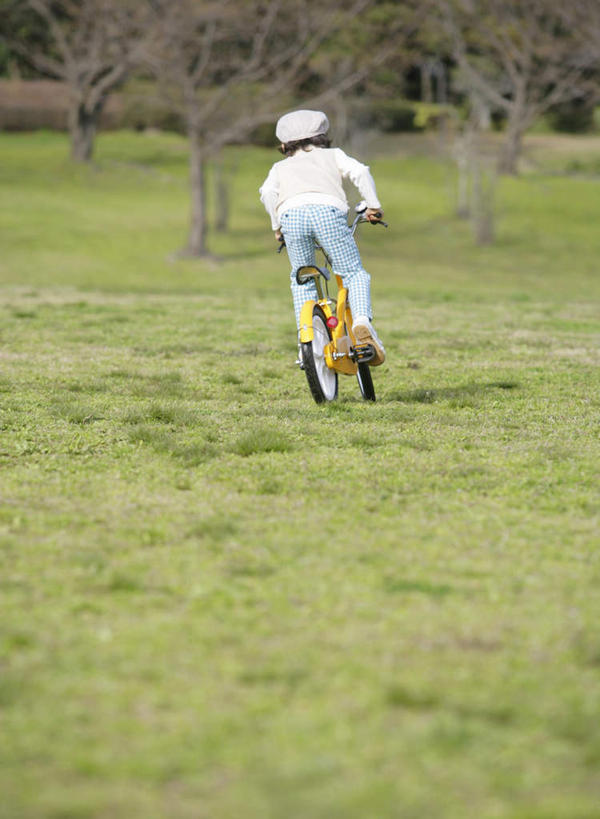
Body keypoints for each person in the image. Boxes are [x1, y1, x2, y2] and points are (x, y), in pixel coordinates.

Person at [259, 109, 386, 365]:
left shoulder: (279, 167)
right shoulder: (333, 155)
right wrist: (372, 205)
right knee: (353, 273)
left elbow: (267, 193)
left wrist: (277, 226)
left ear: (284, 144)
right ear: (321, 137)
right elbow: (360, 172)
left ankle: (307, 345)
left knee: (302, 278)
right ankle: (362, 323)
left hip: (291, 217)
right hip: (327, 213)